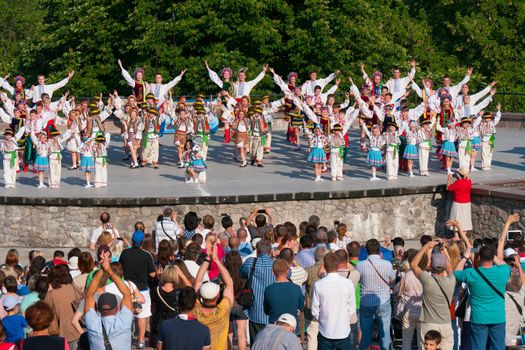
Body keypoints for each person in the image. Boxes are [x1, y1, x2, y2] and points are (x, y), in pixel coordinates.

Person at [454, 215, 517, 350]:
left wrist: (465, 256)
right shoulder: (503, 271)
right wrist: (507, 223)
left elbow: (456, 272)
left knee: (478, 347)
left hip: (479, 318)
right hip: (498, 316)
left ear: (479, 257)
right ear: (492, 257)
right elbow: (500, 248)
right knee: (498, 347)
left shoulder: (471, 273)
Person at [410, 240, 455, 350]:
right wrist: (443, 250)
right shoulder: (451, 281)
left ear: (431, 266)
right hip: (445, 323)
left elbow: (413, 264)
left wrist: (426, 246)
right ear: (443, 266)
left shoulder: (427, 280)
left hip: (429, 322)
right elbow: (450, 269)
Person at [84, 251, 134, 350]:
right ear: (117, 309)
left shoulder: (92, 323)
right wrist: (109, 270)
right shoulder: (124, 321)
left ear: (98, 309)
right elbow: (127, 294)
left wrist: (102, 269)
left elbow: (88, 295)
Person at [193, 239, 234, 350]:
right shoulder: (223, 309)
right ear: (217, 296)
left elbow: (197, 282)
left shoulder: (196, 309)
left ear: (200, 296)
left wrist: (207, 259)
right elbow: (229, 283)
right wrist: (216, 260)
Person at [118, 230, 156, 349]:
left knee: (126, 314)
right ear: (141, 243)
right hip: (142, 289)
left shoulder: (124, 253)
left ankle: (126, 339)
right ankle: (140, 341)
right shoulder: (146, 255)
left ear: (132, 241)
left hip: (126, 288)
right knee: (142, 316)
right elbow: (153, 274)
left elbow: (120, 268)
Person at [312, 252, 356, 349]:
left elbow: (315, 311)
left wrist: (324, 321)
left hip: (325, 331)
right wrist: (343, 320)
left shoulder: (319, 284)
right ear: (338, 265)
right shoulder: (348, 283)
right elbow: (352, 309)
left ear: (324, 266)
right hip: (343, 331)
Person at [356, 239, 395, 350]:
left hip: (366, 301)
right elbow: (391, 281)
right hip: (383, 301)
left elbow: (358, 281)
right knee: (385, 334)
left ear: (366, 250)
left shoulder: (360, 265)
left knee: (366, 334)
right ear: (379, 250)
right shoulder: (387, 264)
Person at [241, 239, 275, 341]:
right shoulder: (276, 264)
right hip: (273, 312)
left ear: (257, 251)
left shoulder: (250, 263)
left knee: (256, 344)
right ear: (271, 251)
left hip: (255, 311)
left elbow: (241, 273)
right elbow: (289, 273)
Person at [44, 265, 82, 349]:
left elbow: (45, 312)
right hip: (78, 331)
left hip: (61, 334)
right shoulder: (73, 288)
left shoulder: (51, 294)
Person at [263, 259, 304, 327]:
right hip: (291, 327)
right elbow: (301, 307)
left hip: (275, 326)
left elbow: (266, 310)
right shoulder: (296, 288)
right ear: (288, 271)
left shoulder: (268, 289)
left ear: (273, 272)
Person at [446, 167, 473, 232]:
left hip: (458, 202)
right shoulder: (469, 181)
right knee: (465, 219)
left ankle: (456, 236)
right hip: (467, 203)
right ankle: (464, 235)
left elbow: (448, 188)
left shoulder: (458, 182)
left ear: (460, 174)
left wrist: (449, 180)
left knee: (455, 218)